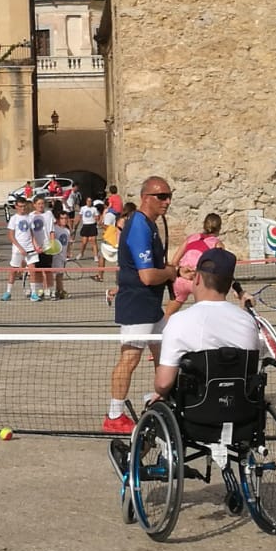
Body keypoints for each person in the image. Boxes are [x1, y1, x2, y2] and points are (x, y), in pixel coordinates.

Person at [104, 176, 180, 434]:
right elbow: (147, 276)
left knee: (166, 351)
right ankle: (114, 415)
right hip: (138, 304)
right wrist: (170, 274)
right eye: (162, 196)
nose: (167, 201)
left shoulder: (149, 225)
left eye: (169, 196)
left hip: (150, 305)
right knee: (130, 358)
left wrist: (175, 271)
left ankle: (162, 397)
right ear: (146, 197)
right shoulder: (139, 226)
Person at [152, 248, 267, 401]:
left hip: (196, 414)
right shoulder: (248, 321)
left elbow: (163, 383)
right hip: (241, 410)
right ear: (228, 284)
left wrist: (160, 390)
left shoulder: (178, 321)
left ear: (197, 278)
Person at [164, 212, 224, 320]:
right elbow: (221, 267)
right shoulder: (216, 243)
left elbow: (174, 262)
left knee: (168, 314)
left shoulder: (191, 238)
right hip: (198, 281)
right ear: (219, 228)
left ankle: (163, 333)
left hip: (181, 279)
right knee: (207, 314)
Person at [2, 197, 38, 301]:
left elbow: (31, 234)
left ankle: (34, 293)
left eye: (24, 206)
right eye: (20, 206)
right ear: (16, 206)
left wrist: (35, 245)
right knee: (13, 271)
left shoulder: (29, 218)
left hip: (30, 248)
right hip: (18, 249)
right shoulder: (14, 219)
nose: (23, 208)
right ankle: (8, 292)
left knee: (33, 270)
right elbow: (11, 236)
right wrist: (20, 248)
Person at [76, 196, 100, 261]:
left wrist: (97, 220)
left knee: (94, 241)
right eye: (88, 201)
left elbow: (97, 217)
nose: (89, 202)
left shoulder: (94, 209)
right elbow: (79, 217)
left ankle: (95, 255)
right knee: (84, 242)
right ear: (86, 202)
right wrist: (76, 225)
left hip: (92, 225)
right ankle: (81, 253)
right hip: (85, 225)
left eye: (90, 201)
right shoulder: (83, 208)